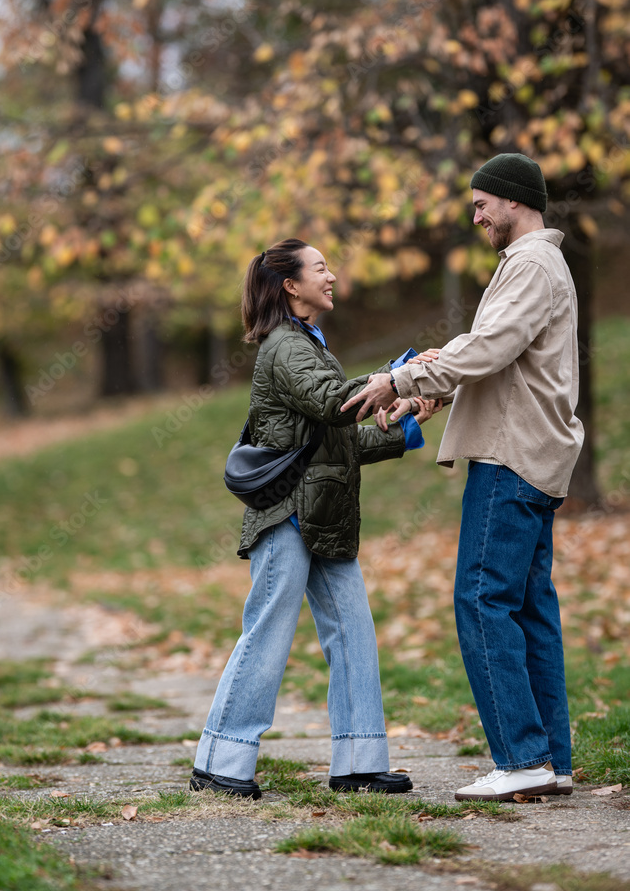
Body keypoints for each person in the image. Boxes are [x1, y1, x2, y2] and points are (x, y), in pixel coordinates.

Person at [342, 154, 584, 802]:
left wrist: (399, 378)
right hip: (531, 453)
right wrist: (432, 392)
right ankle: (549, 762)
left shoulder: (531, 264)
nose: (475, 215)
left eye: (482, 203)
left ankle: (521, 758)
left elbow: (489, 348)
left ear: (514, 201)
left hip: (510, 457)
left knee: (479, 599)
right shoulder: (532, 266)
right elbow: (505, 362)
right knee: (529, 611)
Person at [190, 238, 441, 799]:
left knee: (353, 633)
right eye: (321, 267)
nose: (332, 276)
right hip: (288, 516)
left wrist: (403, 422)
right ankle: (219, 762)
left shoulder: (309, 344)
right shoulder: (285, 346)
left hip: (320, 517)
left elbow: (336, 442)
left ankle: (357, 763)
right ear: (291, 285)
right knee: (268, 634)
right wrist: (398, 377)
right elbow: (333, 402)